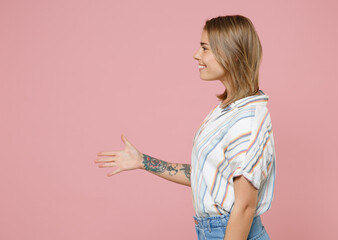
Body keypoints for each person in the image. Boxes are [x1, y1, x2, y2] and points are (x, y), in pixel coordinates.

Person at [94, 15, 275, 240]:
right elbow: (206, 176)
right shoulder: (228, 111)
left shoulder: (246, 120)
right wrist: (143, 161)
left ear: (232, 55)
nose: (196, 55)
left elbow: (245, 207)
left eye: (205, 48)